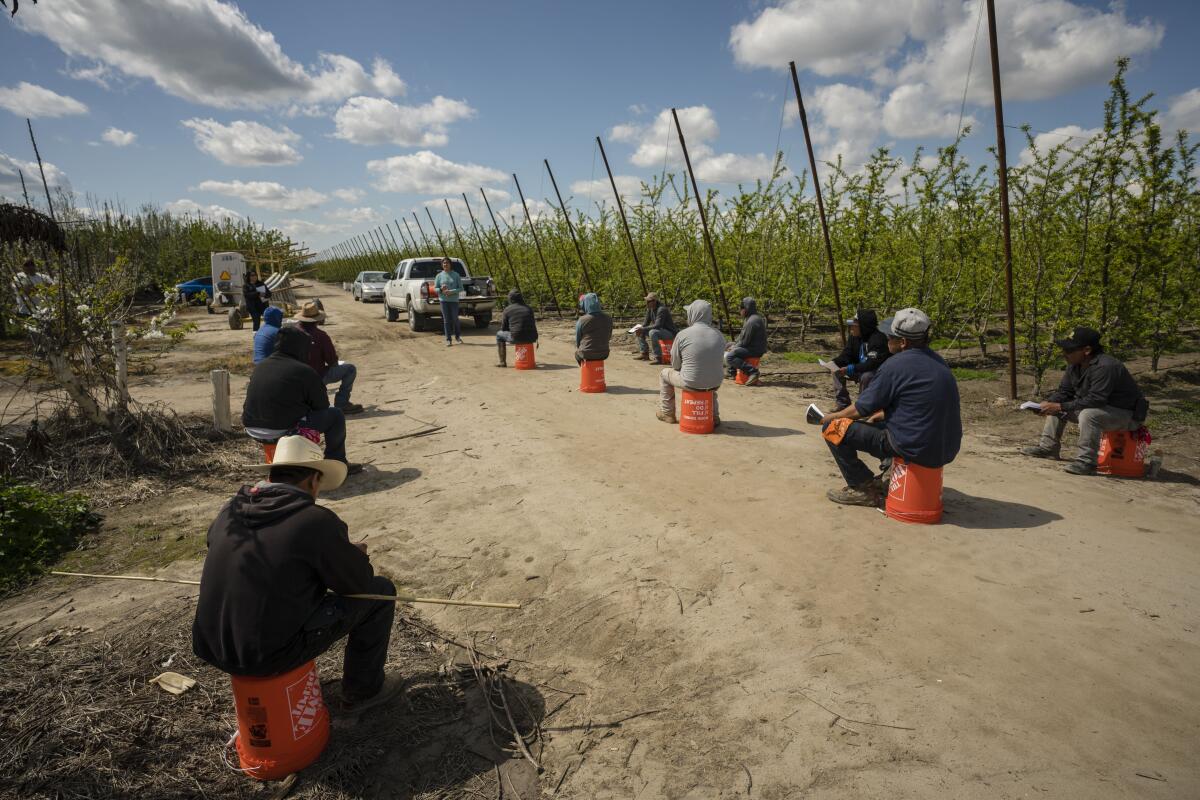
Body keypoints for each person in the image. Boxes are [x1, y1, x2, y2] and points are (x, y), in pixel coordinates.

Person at [191, 435, 401, 711]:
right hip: (265, 655)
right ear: (314, 480)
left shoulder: (230, 509)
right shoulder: (315, 521)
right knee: (381, 592)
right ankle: (364, 690)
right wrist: (355, 556)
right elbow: (356, 585)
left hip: (210, 643)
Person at [819, 308, 961, 506]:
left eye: (890, 338)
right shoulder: (939, 362)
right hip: (945, 447)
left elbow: (861, 409)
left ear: (902, 343)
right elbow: (920, 403)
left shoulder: (895, 365)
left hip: (913, 446)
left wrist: (830, 417)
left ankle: (862, 488)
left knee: (833, 430)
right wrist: (884, 413)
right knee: (882, 419)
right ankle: (887, 475)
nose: (887, 341)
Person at [1021, 326, 1148, 475]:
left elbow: (1096, 400)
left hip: (1125, 415)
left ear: (1087, 350)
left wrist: (1060, 405)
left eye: (1069, 350)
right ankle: (1048, 448)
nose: (1064, 353)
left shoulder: (1106, 367)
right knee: (1058, 408)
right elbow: (1064, 392)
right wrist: (1046, 404)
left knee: (1088, 414)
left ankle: (1087, 462)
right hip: (1098, 409)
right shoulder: (1074, 365)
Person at [243, 325, 361, 474]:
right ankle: (338, 462)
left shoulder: (261, 366)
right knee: (336, 415)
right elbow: (322, 407)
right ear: (300, 348)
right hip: (280, 430)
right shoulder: (303, 370)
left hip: (253, 430)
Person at [657, 299, 725, 426]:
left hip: (691, 382)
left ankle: (667, 413)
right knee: (708, 378)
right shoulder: (719, 335)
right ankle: (713, 416)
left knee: (664, 374)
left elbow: (675, 365)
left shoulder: (683, 335)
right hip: (716, 382)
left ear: (693, 314)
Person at [295, 301, 363, 415]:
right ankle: (342, 403)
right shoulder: (320, 335)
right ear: (317, 319)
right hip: (316, 377)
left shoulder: (291, 332)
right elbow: (331, 360)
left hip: (295, 376)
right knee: (350, 369)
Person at [831, 309, 890, 410]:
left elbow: (871, 364)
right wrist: (834, 363)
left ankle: (863, 407)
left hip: (876, 372)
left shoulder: (878, 339)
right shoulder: (854, 337)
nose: (851, 328)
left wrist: (851, 368)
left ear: (863, 326)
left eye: (854, 325)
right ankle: (842, 403)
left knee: (866, 376)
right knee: (836, 370)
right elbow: (847, 354)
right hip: (859, 369)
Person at [725, 297, 768, 385]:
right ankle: (732, 372)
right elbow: (742, 337)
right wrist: (733, 345)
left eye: (741, 308)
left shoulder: (752, 321)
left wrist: (734, 347)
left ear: (746, 309)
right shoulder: (751, 318)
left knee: (730, 356)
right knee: (728, 345)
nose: (740, 311)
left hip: (755, 349)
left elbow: (744, 341)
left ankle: (753, 372)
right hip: (752, 346)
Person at [495, 289, 538, 367]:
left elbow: (504, 328)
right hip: (532, 337)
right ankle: (528, 358)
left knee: (499, 335)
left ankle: (502, 362)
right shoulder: (529, 308)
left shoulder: (507, 309)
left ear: (511, 299)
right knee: (522, 333)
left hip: (517, 337)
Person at [632, 292, 678, 363]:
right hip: (660, 331)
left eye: (648, 301)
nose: (647, 303)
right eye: (646, 301)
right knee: (640, 329)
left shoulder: (662, 309)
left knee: (652, 332)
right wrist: (637, 329)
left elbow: (658, 325)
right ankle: (644, 354)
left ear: (654, 301)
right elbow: (645, 323)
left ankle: (658, 357)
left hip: (670, 333)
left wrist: (642, 328)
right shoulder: (650, 309)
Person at [575, 292, 613, 365]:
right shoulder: (608, 318)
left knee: (577, 355)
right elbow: (609, 336)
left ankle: (586, 372)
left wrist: (580, 348)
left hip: (586, 353)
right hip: (604, 353)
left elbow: (578, 339)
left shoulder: (582, 320)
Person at [435, 257, 464, 346]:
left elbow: (461, 288)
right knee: (446, 320)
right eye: (444, 263)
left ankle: (458, 337)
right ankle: (448, 339)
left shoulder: (456, 275)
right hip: (443, 301)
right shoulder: (439, 276)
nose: (445, 264)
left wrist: (451, 292)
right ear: (442, 265)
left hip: (454, 301)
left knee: (455, 319)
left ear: (450, 264)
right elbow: (435, 288)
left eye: (447, 263)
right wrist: (440, 289)